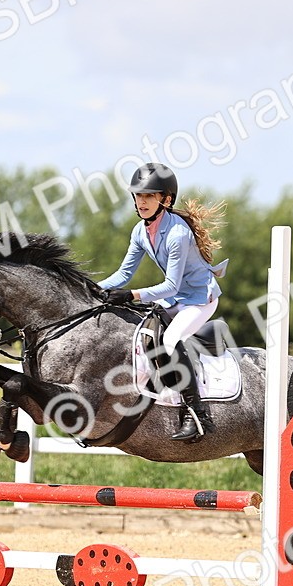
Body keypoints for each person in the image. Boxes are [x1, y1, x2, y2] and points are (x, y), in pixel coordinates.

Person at [99, 163, 227, 443]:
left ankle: (197, 416)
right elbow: (123, 274)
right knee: (141, 335)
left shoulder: (178, 233)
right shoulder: (140, 231)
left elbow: (171, 284)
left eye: (148, 196)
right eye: (138, 196)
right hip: (176, 299)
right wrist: (92, 289)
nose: (141, 202)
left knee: (168, 342)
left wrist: (131, 295)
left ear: (165, 199)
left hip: (199, 299)